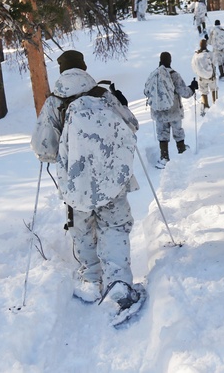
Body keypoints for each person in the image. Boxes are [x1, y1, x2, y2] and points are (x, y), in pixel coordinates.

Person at [30, 50, 144, 324]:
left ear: (61, 71)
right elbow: (132, 125)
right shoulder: (102, 94)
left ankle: (91, 281)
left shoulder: (54, 102)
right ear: (83, 67)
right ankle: (119, 287)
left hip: (76, 182)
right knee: (114, 227)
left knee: (81, 228)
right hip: (112, 178)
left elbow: (44, 148)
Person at [143, 51, 197, 168]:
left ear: (160, 60)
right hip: (174, 111)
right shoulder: (174, 75)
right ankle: (182, 151)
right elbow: (185, 92)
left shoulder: (153, 75)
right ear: (170, 61)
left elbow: (146, 91)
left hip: (158, 111)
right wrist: (192, 87)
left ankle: (164, 157)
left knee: (162, 134)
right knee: (178, 131)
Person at [191, 38, 217, 115]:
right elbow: (214, 63)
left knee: (204, 92)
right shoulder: (210, 54)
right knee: (214, 89)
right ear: (206, 45)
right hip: (211, 77)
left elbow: (193, 65)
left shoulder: (196, 55)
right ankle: (215, 104)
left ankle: (206, 105)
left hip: (201, 78)